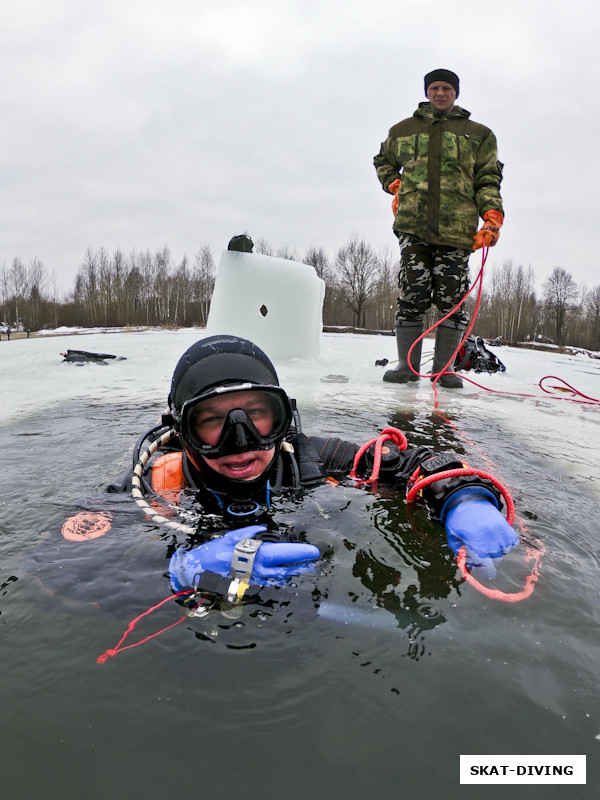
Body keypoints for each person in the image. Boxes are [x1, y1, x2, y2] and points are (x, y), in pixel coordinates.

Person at [91, 334, 517, 605]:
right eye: (211, 421)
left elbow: (416, 463)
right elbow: (64, 571)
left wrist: (463, 498)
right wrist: (180, 569)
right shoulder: (156, 483)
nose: (239, 442)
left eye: (257, 414)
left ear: (283, 417)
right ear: (182, 430)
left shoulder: (310, 458)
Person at [373, 68, 504, 388]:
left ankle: (444, 370)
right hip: (413, 227)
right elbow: (382, 160)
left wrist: (491, 215)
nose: (441, 93)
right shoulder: (403, 130)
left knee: (453, 299)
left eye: (447, 88)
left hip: (457, 231)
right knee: (411, 294)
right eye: (435, 88)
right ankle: (406, 367)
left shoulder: (478, 134)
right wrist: (394, 184)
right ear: (427, 92)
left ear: (455, 93)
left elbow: (487, 179)